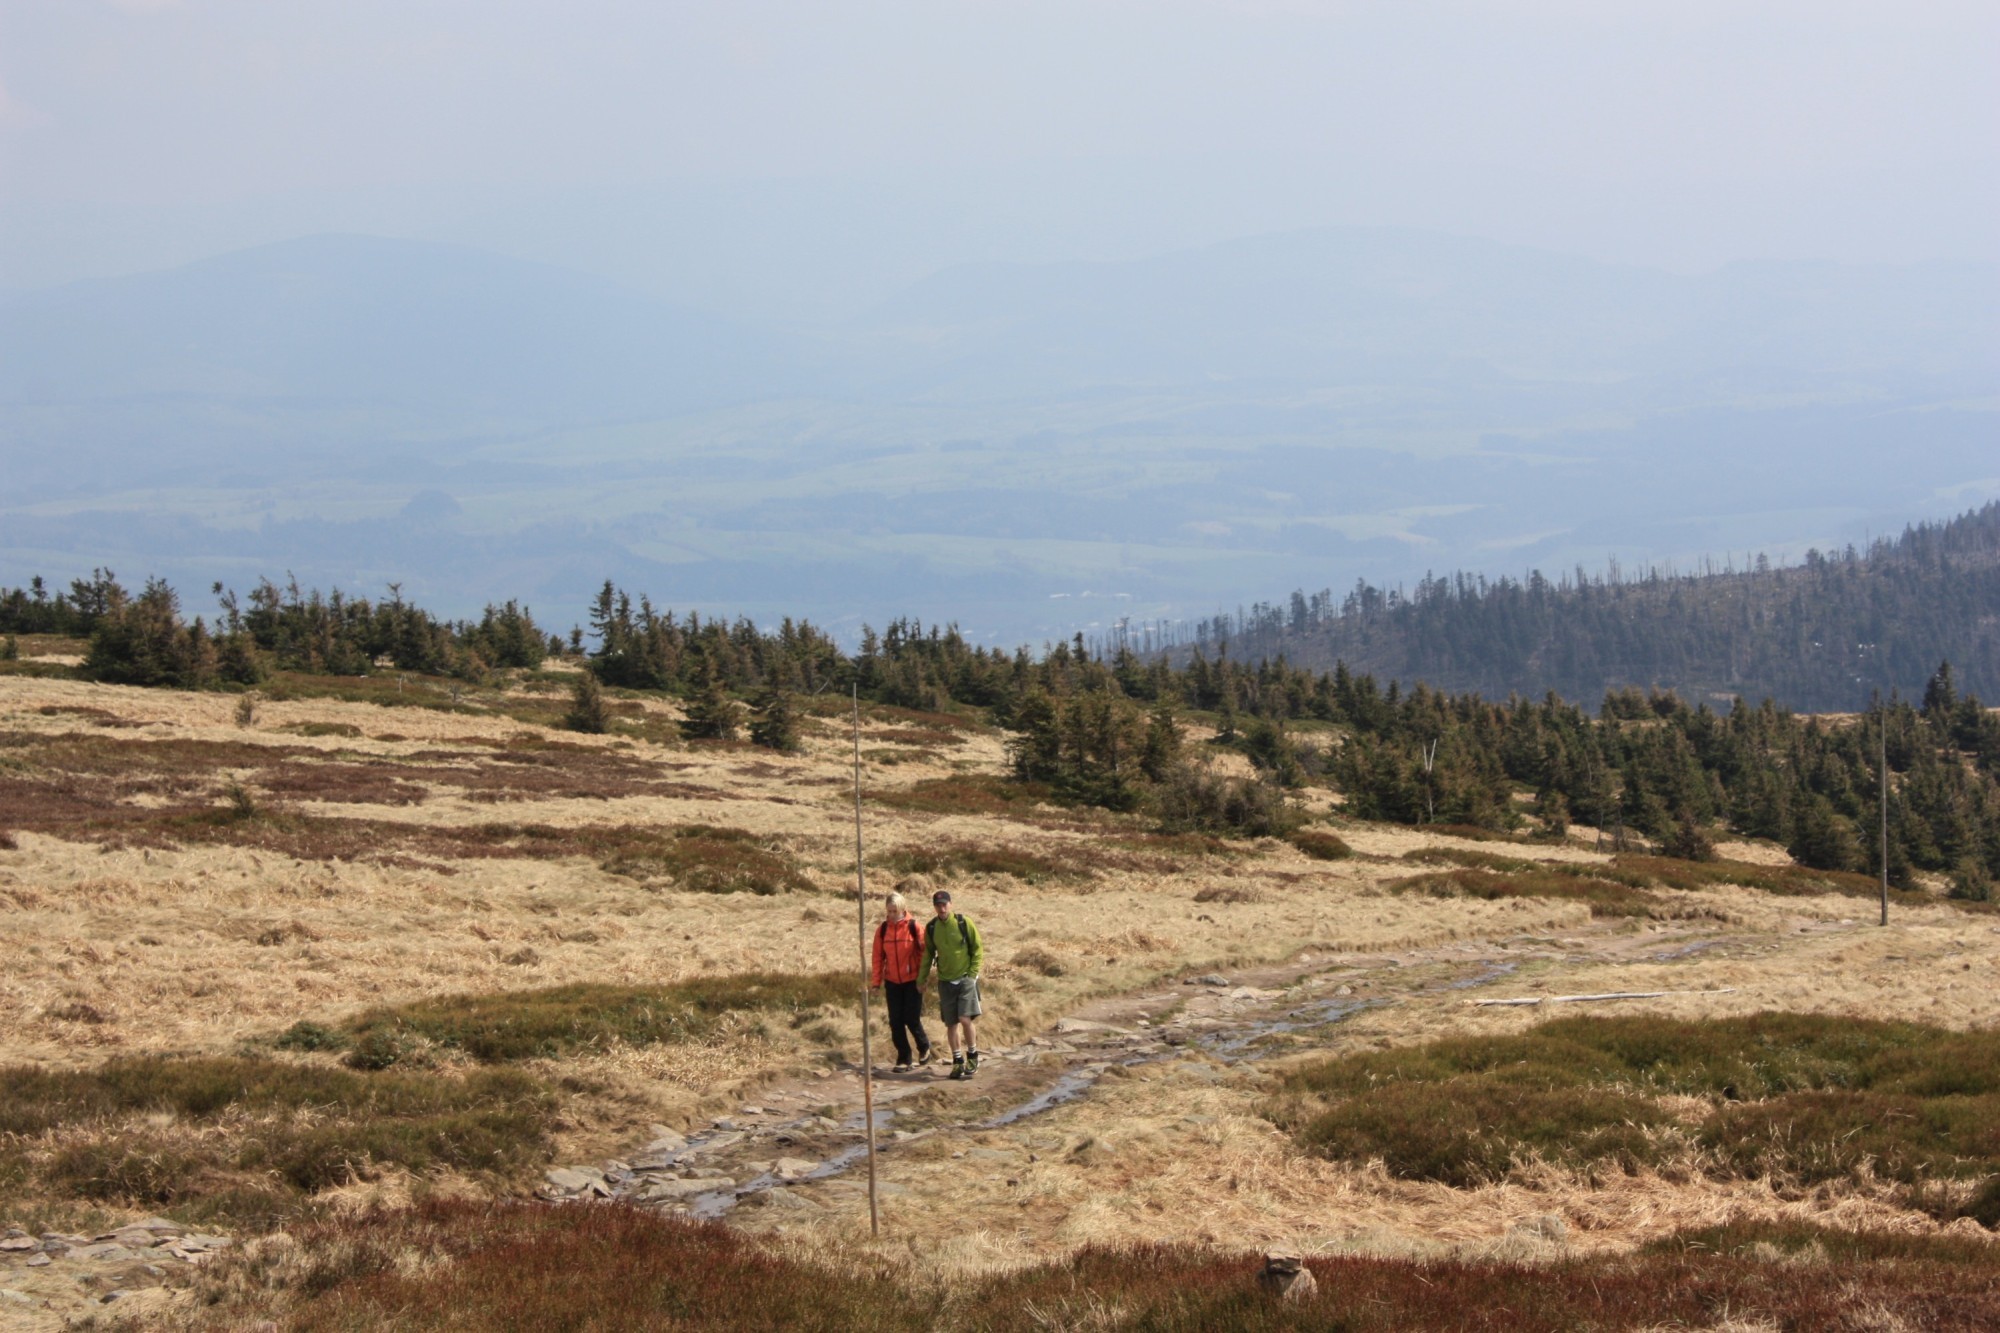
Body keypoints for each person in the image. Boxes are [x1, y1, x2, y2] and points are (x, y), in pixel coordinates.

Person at [917, 886, 984, 1079]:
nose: (942, 908)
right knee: (951, 1024)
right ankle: (957, 1061)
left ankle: (972, 1055)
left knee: (965, 1019)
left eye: (944, 904)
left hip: (965, 978)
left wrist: (972, 974)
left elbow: (977, 948)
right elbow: (928, 954)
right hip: (945, 981)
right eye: (938, 905)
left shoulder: (964, 922)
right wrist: (921, 979)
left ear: (950, 904)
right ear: (934, 907)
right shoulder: (932, 928)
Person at [870, 888, 933, 1073]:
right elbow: (877, 958)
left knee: (911, 1018)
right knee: (895, 1021)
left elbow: (925, 954)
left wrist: (923, 979)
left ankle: (924, 1046)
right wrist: (876, 983)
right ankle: (904, 1058)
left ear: (902, 909)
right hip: (892, 982)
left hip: (912, 980)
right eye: (888, 911)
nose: (891, 915)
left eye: (894, 911)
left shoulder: (914, 927)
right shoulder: (882, 930)